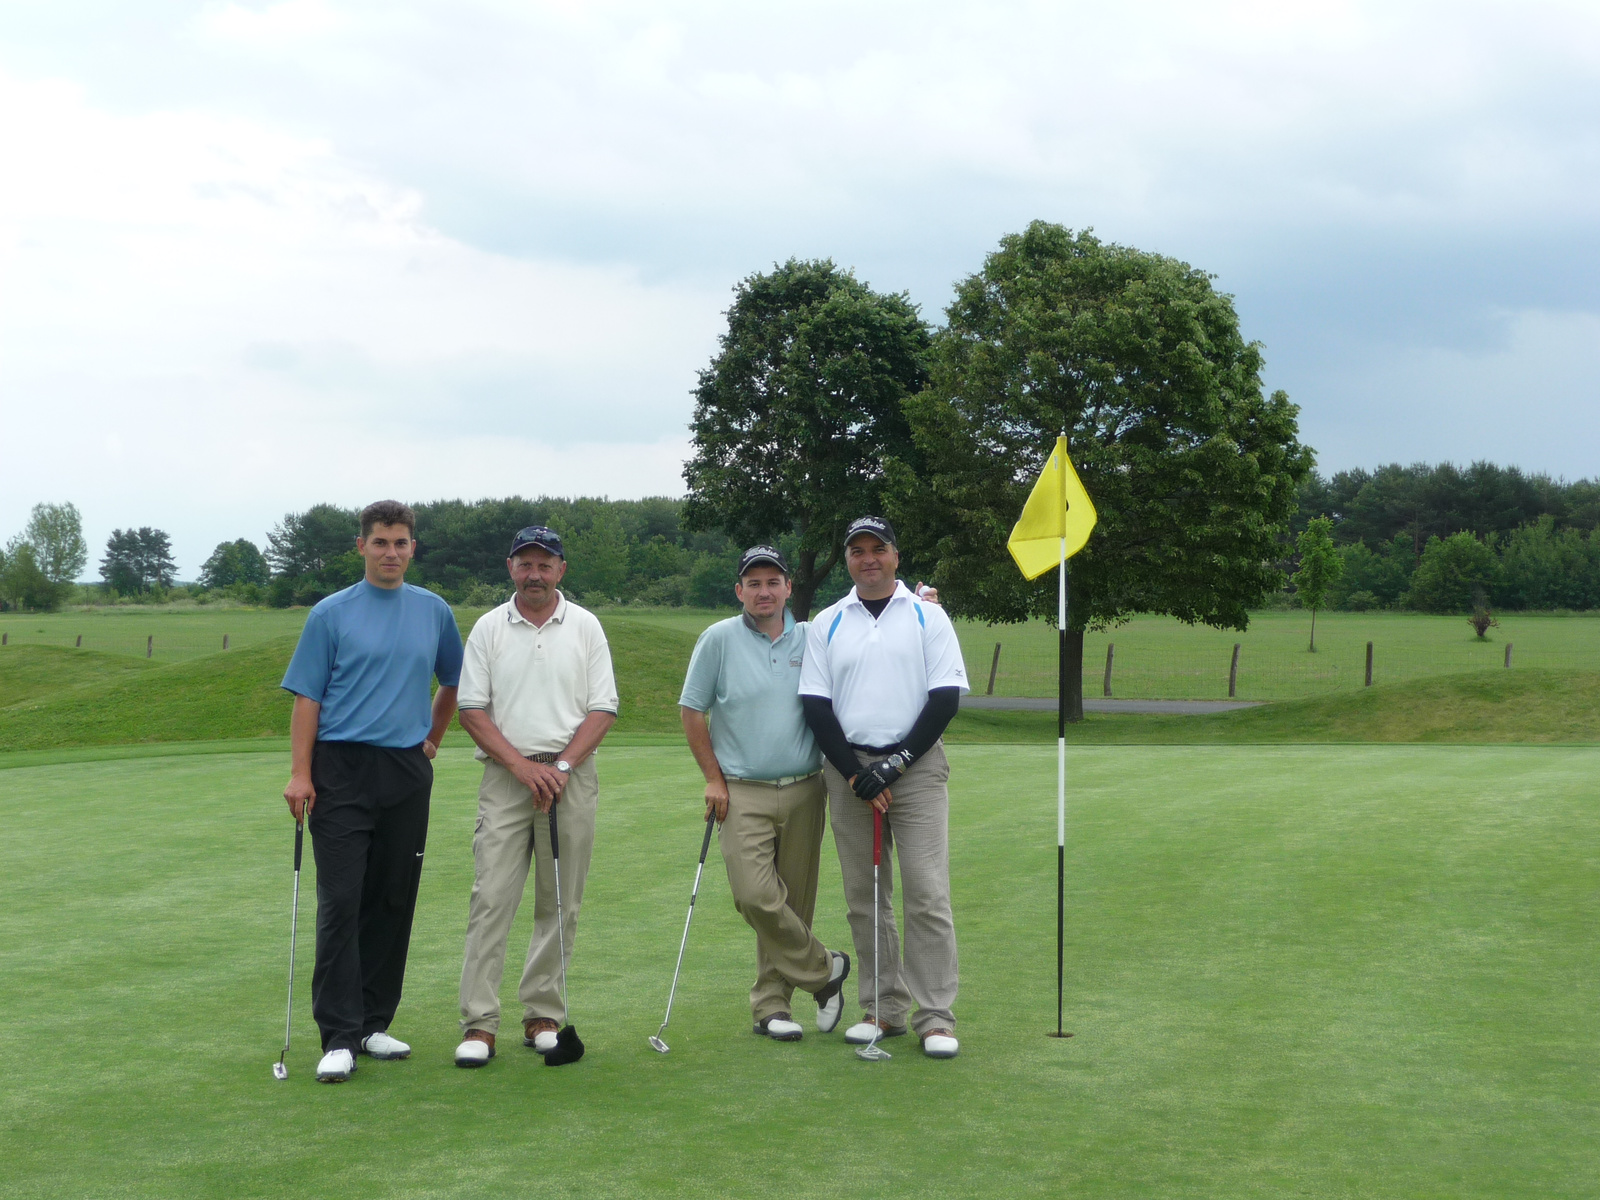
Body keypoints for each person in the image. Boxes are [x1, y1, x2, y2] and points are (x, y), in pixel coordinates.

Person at [280, 500, 463, 1084]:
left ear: (413, 548)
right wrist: (300, 773)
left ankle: (372, 1022)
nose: (391, 553)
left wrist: (430, 740)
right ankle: (337, 1034)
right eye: (380, 542)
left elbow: (454, 680)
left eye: (401, 543)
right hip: (340, 768)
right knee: (340, 900)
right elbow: (307, 698)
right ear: (361, 546)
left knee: (392, 895)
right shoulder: (330, 614)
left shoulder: (433, 611)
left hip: (405, 772)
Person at [799, 516, 969, 1059]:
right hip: (848, 769)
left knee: (927, 892)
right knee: (865, 897)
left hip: (914, 769)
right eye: (857, 551)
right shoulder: (827, 621)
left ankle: (936, 1017)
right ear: (847, 559)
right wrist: (855, 773)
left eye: (879, 549)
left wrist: (894, 765)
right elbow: (816, 706)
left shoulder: (928, 615)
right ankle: (882, 1009)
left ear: (896, 555)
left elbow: (944, 698)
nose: (868, 558)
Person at [452, 526, 619, 1068]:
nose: (535, 574)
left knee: (559, 902)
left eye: (545, 564)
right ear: (510, 568)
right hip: (507, 778)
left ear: (561, 570)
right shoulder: (488, 627)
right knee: (492, 898)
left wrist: (563, 765)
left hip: (571, 777)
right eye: (525, 564)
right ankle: (480, 1023)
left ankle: (542, 1013)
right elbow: (472, 709)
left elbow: (603, 708)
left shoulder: (586, 626)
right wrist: (520, 766)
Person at [678, 545, 851, 1042]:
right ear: (739, 591)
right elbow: (693, 712)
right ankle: (826, 969)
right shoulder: (718, 639)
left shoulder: (813, 638)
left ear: (788, 589)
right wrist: (712, 777)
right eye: (753, 583)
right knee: (755, 896)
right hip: (741, 791)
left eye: (772, 582)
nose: (763, 591)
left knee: (793, 903)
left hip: (804, 787)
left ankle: (772, 1006)